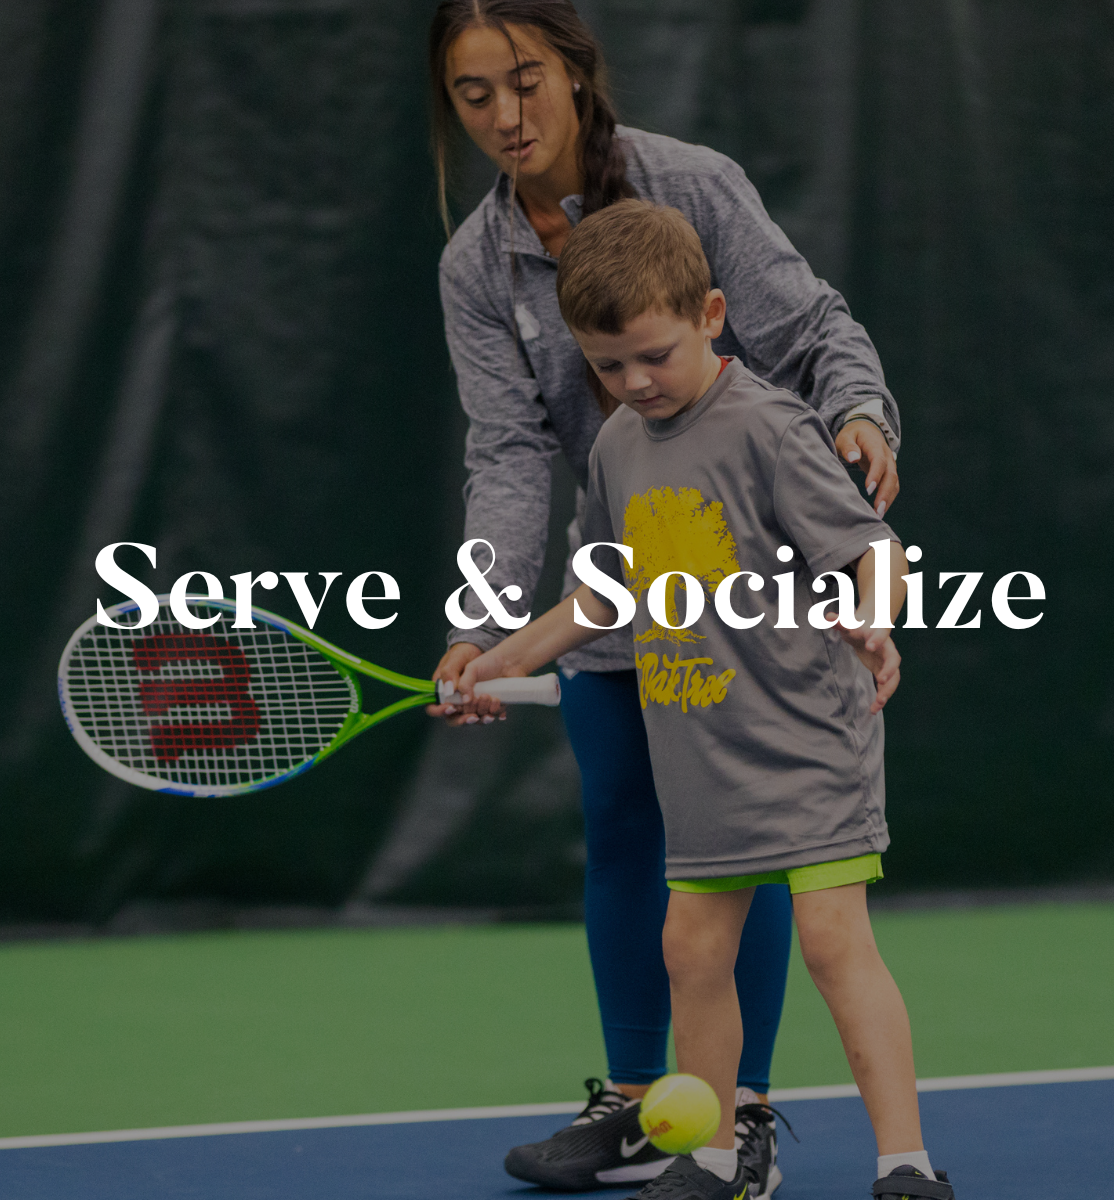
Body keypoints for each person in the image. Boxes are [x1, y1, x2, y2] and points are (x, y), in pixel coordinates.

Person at [425, 4, 903, 1194]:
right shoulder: (476, 265)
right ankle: (649, 1105)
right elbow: (508, 454)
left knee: (753, 840)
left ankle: (743, 1116)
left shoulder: (696, 185)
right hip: (619, 579)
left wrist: (858, 411)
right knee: (633, 836)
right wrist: (485, 623)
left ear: (576, 73)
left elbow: (813, 325)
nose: (504, 115)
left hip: (751, 592)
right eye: (473, 95)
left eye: (524, 81)